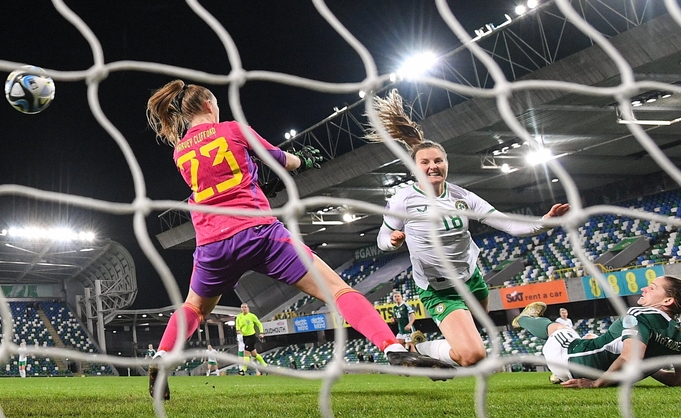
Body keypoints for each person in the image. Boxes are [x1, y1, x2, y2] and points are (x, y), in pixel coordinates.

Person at [145, 80, 428, 400]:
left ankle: (162, 356)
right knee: (337, 291)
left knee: (194, 308)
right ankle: (392, 347)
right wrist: (303, 160)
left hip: (212, 242)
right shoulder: (232, 129)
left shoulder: (180, 151)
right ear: (210, 105)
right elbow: (280, 159)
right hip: (258, 232)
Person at [369, 89, 570, 369]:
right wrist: (392, 241)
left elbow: (508, 224)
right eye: (425, 162)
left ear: (446, 164)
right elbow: (381, 238)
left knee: (476, 332)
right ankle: (419, 348)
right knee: (472, 356)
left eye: (438, 161)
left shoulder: (463, 197)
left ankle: (437, 353)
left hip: (471, 279)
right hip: (439, 288)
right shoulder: (403, 199)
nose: (433, 166)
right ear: (414, 169)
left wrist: (544, 222)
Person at [512, 275, 681, 387]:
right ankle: (559, 376)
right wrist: (650, 366)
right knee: (591, 336)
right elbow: (677, 379)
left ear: (667, 300)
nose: (644, 289)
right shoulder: (678, 334)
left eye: (652, 288)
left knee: (560, 328)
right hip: (605, 376)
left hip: (569, 359)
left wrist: (596, 384)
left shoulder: (638, 314)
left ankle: (524, 319)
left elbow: (630, 356)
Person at [235, 303, 267, 375]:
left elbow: (259, 324)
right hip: (244, 337)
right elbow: (237, 324)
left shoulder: (252, 316)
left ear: (248, 308)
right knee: (254, 354)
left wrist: (261, 332)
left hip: (251, 336)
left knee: (246, 353)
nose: (244, 309)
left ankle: (243, 370)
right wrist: (238, 330)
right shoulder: (239, 316)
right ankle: (265, 365)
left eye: (245, 307)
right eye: (242, 307)